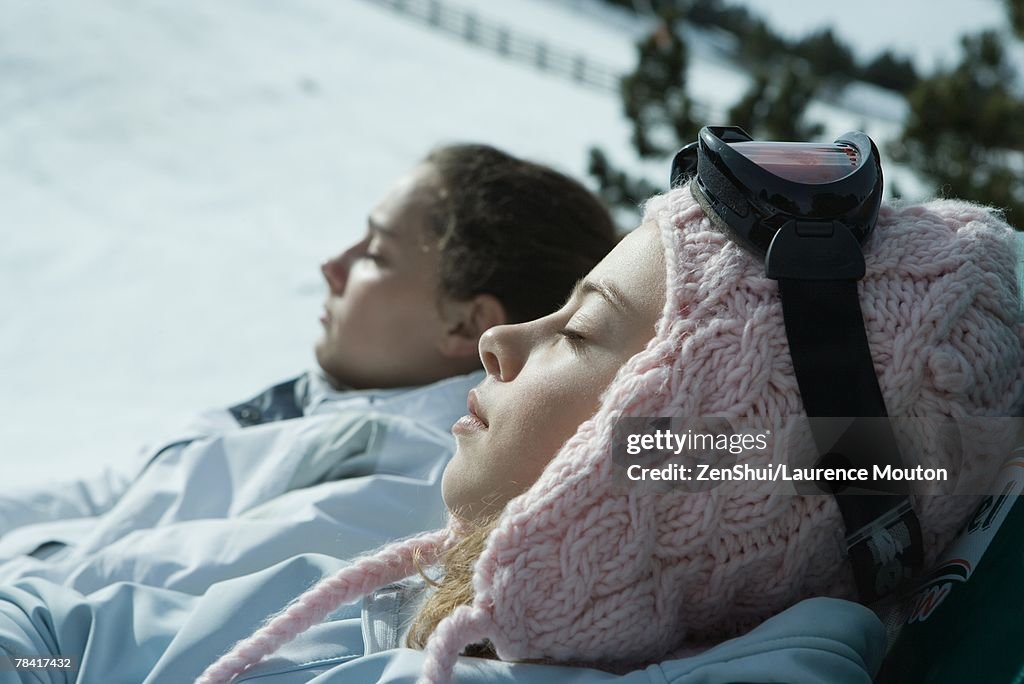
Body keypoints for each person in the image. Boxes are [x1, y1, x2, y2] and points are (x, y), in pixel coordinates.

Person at [0, 186, 1020, 684]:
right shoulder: (416, 595)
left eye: (576, 329)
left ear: (683, 474)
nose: (497, 341)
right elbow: (67, 634)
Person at [0, 144, 618, 594]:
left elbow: (136, 579)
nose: (333, 265)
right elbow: (115, 490)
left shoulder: (418, 478)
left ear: (464, 324)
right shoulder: (327, 399)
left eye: (375, 253)